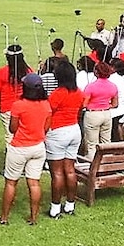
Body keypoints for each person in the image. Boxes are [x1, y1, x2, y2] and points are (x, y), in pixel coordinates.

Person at [0, 74, 51, 226]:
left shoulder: (19, 105)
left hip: (19, 148)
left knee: (11, 183)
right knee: (34, 183)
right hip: (38, 147)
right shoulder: (46, 105)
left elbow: (12, 128)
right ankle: (33, 217)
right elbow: (46, 128)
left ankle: (4, 217)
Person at [45, 61, 84, 218]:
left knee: (57, 173)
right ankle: (70, 204)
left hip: (58, 132)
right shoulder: (78, 92)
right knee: (69, 169)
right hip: (74, 130)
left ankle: (55, 207)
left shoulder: (58, 93)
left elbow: (48, 113)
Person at [0, 45, 32, 144]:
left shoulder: (2, 71)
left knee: (10, 135)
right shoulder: (28, 71)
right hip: (25, 106)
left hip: (7, 108)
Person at [81, 61, 119, 159]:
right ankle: (106, 162)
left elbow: (84, 104)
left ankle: (92, 163)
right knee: (106, 141)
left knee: (92, 143)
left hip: (93, 114)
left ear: (96, 72)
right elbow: (115, 104)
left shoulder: (91, 86)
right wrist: (105, 105)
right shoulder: (113, 86)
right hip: (106, 114)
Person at [108, 58, 124, 141]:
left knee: (113, 131)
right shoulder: (122, 77)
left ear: (114, 68)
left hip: (114, 109)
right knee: (117, 127)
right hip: (121, 107)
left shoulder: (112, 78)